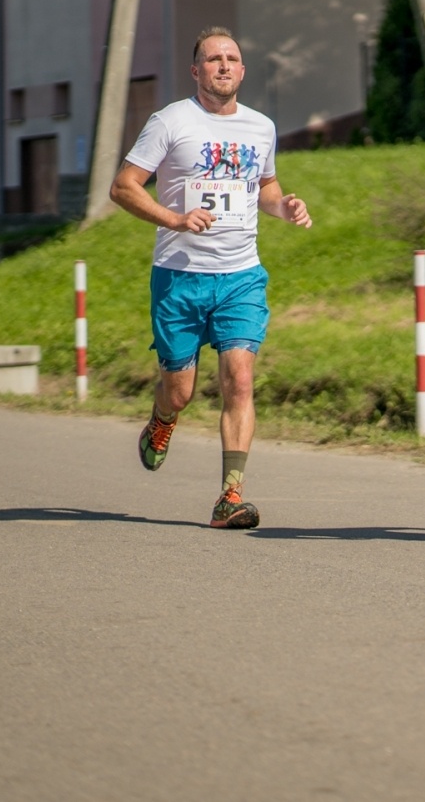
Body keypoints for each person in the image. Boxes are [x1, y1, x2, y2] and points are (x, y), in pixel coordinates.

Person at [110, 27, 313, 529]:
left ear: (242, 71)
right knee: (178, 390)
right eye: (213, 59)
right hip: (180, 277)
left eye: (232, 58)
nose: (223, 65)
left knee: (239, 380)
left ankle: (230, 498)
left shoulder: (260, 127)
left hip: (241, 275)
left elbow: (264, 186)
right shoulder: (171, 121)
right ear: (196, 71)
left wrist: (284, 207)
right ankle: (162, 421)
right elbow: (123, 187)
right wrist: (174, 219)